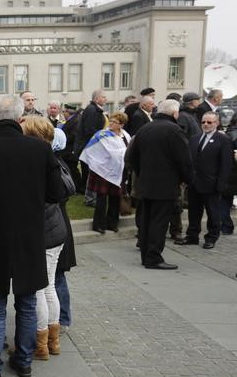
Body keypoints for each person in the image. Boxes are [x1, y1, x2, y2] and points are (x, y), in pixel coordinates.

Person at [0, 95, 64, 377]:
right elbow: (56, 193)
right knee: (27, 302)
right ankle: (23, 361)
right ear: (21, 119)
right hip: (30, 236)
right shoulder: (39, 150)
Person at [20, 117, 74, 360]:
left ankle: (40, 344)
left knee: (39, 289)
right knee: (49, 286)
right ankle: (53, 341)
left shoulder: (37, 162)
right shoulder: (53, 160)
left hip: (42, 232)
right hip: (55, 230)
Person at [125, 99, 193, 269]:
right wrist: (187, 179)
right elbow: (184, 161)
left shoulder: (145, 129)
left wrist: (142, 174)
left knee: (147, 220)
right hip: (166, 186)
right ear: (175, 113)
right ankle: (153, 258)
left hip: (145, 185)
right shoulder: (175, 131)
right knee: (159, 222)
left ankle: (146, 255)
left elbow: (131, 157)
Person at [175, 112, 233, 249]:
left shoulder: (223, 140)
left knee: (213, 213)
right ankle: (192, 236)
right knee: (194, 212)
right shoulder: (195, 138)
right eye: (203, 122)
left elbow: (226, 165)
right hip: (194, 183)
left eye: (209, 122)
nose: (206, 124)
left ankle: (211, 237)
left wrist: (221, 184)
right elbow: (189, 161)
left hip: (212, 184)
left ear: (217, 123)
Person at [80, 111, 132, 234]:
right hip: (102, 171)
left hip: (118, 171)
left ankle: (112, 223)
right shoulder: (102, 134)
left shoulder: (125, 135)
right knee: (101, 199)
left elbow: (127, 150)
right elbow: (92, 151)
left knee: (115, 198)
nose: (111, 124)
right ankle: (98, 224)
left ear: (121, 125)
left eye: (115, 122)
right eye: (111, 121)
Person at [75, 90, 108, 205]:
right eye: (103, 97)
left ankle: (90, 196)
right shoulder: (92, 110)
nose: (106, 99)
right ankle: (90, 198)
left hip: (90, 145)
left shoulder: (94, 109)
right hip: (89, 146)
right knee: (92, 173)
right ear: (96, 99)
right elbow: (90, 130)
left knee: (90, 172)